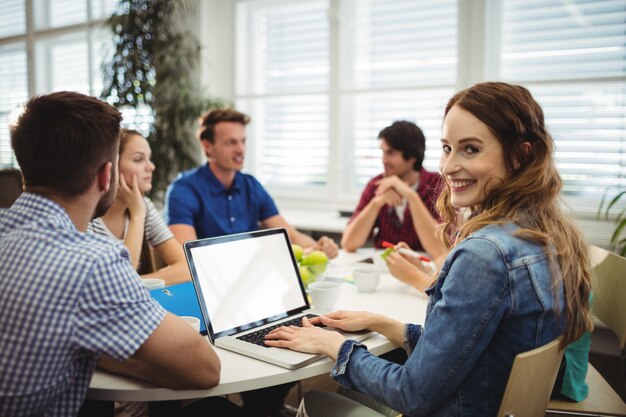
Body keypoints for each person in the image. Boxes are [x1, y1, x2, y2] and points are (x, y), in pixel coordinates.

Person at [264, 82, 593, 416]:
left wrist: (334, 345)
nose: (448, 167)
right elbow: (464, 349)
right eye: (447, 148)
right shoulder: (548, 235)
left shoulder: (485, 255)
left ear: (520, 155)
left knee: (318, 400)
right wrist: (379, 322)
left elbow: (412, 393)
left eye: (471, 149)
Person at [0, 91, 242, 417]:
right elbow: (205, 370)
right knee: (219, 410)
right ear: (106, 175)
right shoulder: (93, 261)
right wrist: (101, 355)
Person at [166, 107, 338, 260]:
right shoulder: (183, 190)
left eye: (243, 141)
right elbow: (186, 257)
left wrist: (318, 248)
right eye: (231, 142)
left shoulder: (251, 186)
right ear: (208, 146)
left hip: (250, 278)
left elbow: (291, 236)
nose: (241, 149)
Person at [89, 129, 189, 284]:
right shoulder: (89, 217)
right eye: (138, 159)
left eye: (149, 159)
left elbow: (187, 269)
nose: (151, 167)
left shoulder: (144, 207)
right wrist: (137, 215)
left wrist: (136, 283)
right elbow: (122, 279)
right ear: (112, 166)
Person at [341, 121, 445, 261]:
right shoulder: (376, 185)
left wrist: (411, 196)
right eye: (382, 152)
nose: (384, 160)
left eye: (390, 153)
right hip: (386, 272)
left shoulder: (437, 185)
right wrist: (376, 203)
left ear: (412, 157)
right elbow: (348, 244)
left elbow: (440, 250)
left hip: (425, 272)